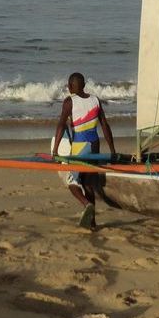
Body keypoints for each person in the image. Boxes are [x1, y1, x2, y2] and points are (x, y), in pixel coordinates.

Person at [50, 72, 117, 230]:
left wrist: (55, 150)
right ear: (84, 86)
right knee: (88, 184)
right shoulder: (95, 100)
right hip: (95, 147)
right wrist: (113, 150)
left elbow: (61, 125)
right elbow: (105, 125)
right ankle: (92, 224)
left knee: (72, 182)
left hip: (81, 147)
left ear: (69, 86)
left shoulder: (69, 102)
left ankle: (87, 205)